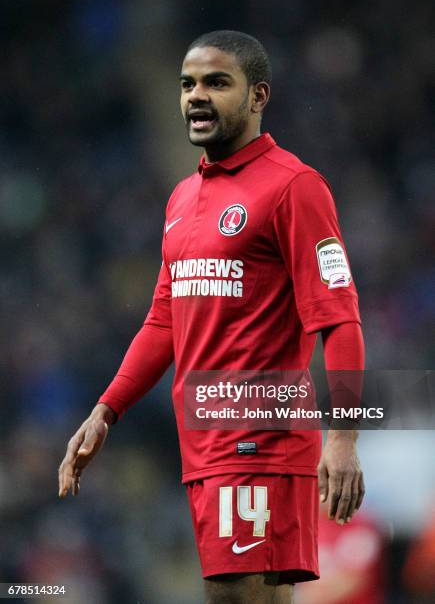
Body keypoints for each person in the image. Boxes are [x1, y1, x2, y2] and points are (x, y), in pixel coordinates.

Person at [58, 30, 365, 604]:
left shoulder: (294, 187)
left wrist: (344, 437)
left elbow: (339, 319)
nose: (196, 95)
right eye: (188, 84)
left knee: (233, 598)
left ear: (258, 96)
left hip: (259, 439)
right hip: (204, 442)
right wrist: (106, 410)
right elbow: (163, 321)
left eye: (217, 82)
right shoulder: (182, 199)